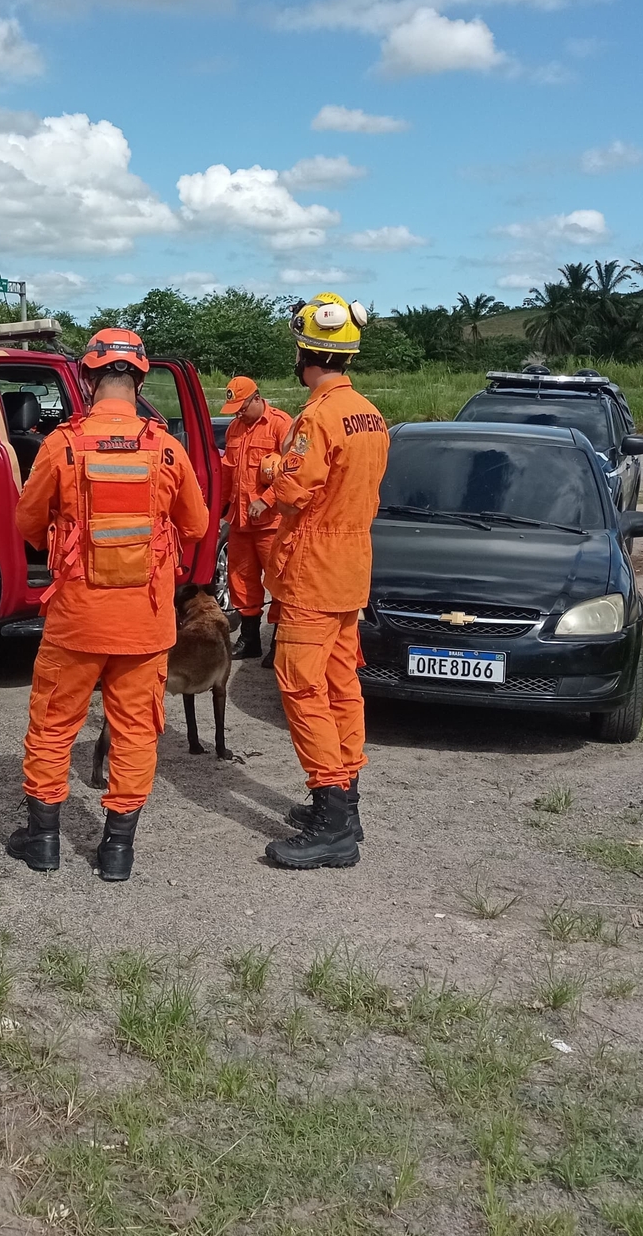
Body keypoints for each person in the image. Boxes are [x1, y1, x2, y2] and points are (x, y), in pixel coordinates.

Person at [6, 328, 210, 881]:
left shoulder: (62, 445)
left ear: (89, 378)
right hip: (145, 623)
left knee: (52, 727)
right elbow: (196, 524)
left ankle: (44, 842)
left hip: (75, 620)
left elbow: (27, 524)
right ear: (140, 378)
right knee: (137, 732)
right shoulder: (167, 449)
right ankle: (117, 850)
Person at [256, 293, 389, 869]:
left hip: (313, 567)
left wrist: (270, 471)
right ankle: (346, 799)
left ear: (306, 352)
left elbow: (296, 491)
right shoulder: (370, 413)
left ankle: (332, 816)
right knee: (341, 685)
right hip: (351, 564)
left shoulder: (316, 417)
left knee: (300, 686)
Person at [218, 376, 293, 659]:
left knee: (277, 581)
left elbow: (292, 472)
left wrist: (267, 500)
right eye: (234, 409)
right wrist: (221, 509)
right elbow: (227, 473)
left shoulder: (281, 425)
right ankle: (249, 640)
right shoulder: (235, 429)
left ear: (257, 399)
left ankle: (278, 643)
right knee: (240, 579)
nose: (238, 413)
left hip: (272, 524)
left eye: (241, 407)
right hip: (239, 522)